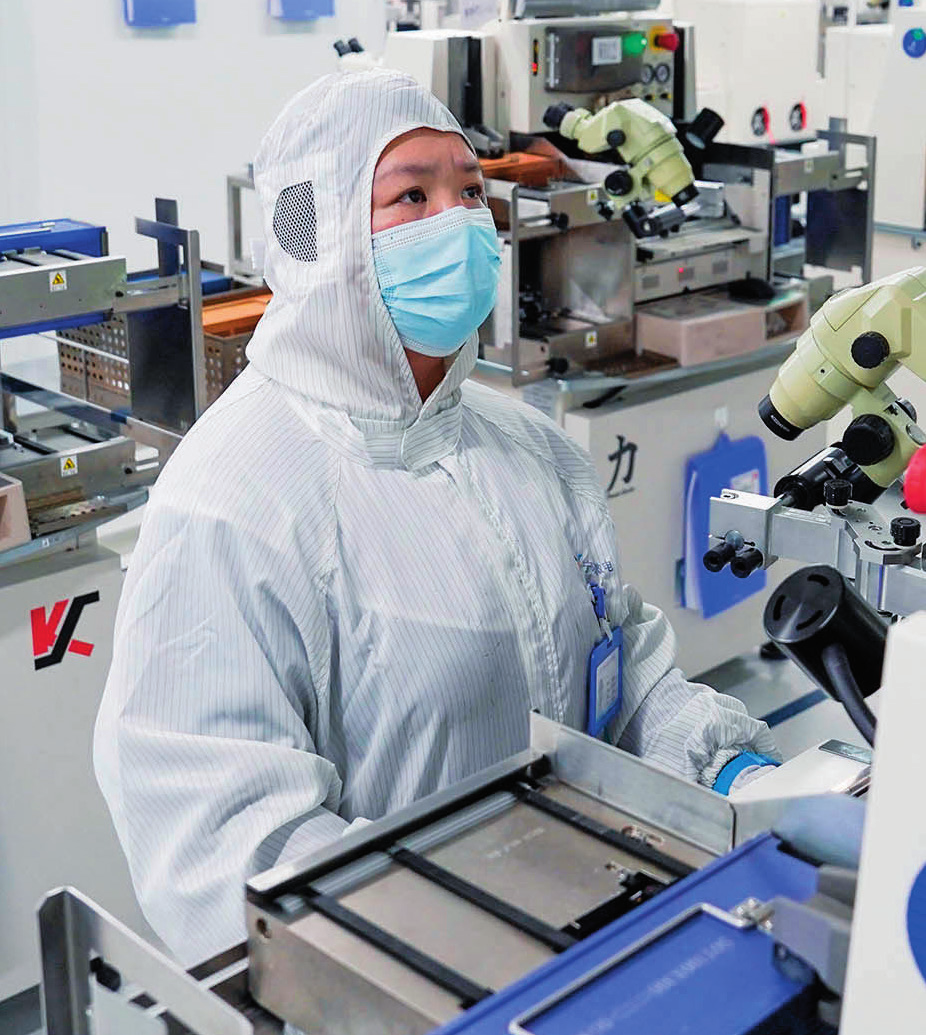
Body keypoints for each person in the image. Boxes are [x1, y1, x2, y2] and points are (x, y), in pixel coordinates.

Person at [94, 69, 778, 967]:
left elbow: (627, 678)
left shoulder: (530, 449)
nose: (457, 223)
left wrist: (732, 772)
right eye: (411, 195)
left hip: (583, 932)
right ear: (320, 234)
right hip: (406, 988)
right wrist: (451, 946)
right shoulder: (231, 500)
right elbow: (231, 842)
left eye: (470, 193)